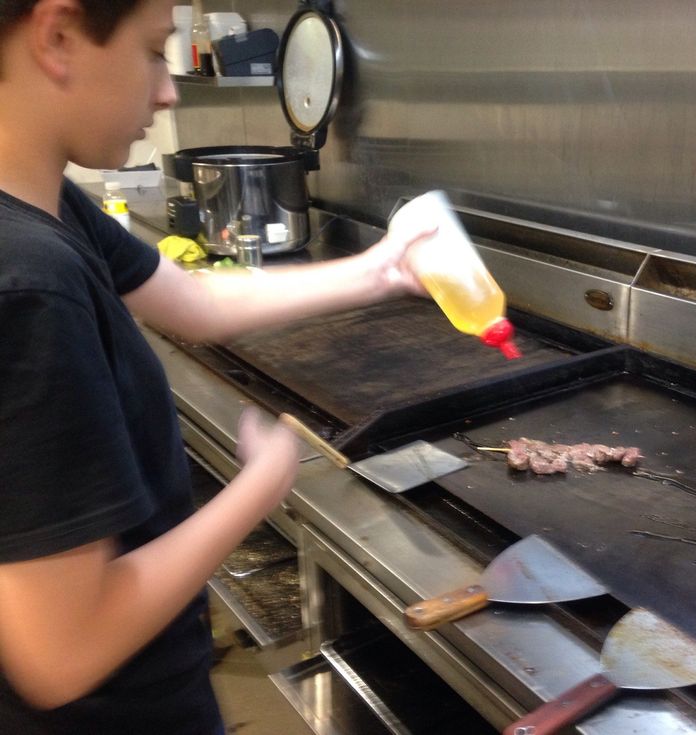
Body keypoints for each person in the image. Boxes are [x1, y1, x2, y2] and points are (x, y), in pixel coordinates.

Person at [0, 1, 435, 732]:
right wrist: (259, 486)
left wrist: (382, 270)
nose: (168, 89)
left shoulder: (46, 203)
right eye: (150, 50)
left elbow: (194, 302)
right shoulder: (27, 283)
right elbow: (59, 654)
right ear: (59, 36)